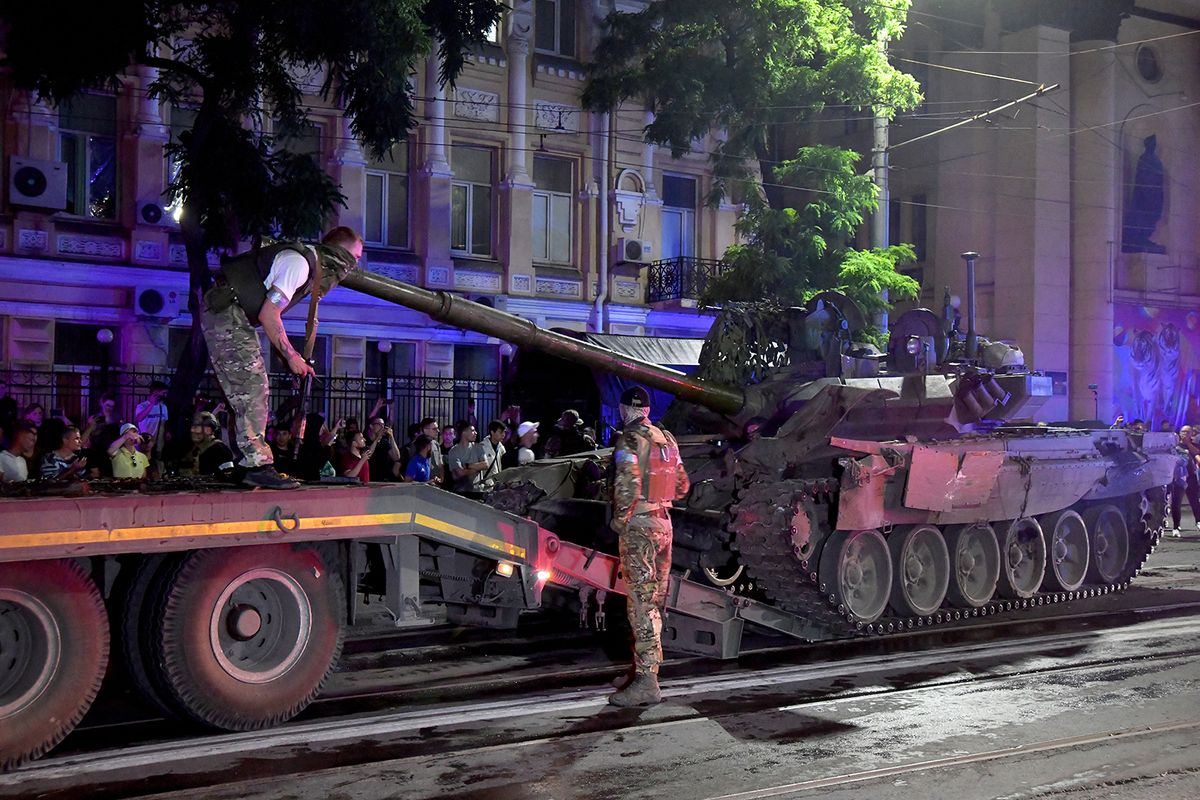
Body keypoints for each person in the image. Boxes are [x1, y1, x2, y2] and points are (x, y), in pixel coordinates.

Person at [200, 226, 362, 488]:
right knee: (252, 388)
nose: (354, 266)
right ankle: (255, 465)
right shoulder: (298, 265)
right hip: (229, 313)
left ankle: (245, 463)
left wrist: (289, 358)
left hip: (229, 313)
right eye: (354, 257)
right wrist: (292, 357)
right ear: (338, 252)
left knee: (242, 392)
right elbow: (269, 314)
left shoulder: (305, 264)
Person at [608, 385, 689, 707]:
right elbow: (682, 485)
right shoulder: (666, 439)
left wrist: (619, 520)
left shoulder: (629, 439)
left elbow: (626, 483)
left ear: (624, 408)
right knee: (654, 601)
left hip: (640, 527)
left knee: (640, 605)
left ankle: (646, 682)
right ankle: (642, 669)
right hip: (664, 524)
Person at [179, 412, 235, 478]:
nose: (192, 430)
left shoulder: (221, 451)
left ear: (208, 430)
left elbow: (228, 481)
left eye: (196, 426)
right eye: (192, 426)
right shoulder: (194, 451)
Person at [447, 421, 491, 494]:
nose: (476, 433)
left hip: (478, 490)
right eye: (472, 430)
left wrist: (468, 465)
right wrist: (477, 469)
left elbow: (486, 465)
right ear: (464, 432)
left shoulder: (478, 447)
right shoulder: (454, 451)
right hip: (462, 492)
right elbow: (460, 473)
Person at [366, 416, 402, 481]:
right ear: (371, 426)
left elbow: (396, 457)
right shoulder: (366, 440)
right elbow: (368, 455)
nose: (382, 427)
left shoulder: (384, 442)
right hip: (370, 478)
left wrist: (391, 437)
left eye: (383, 425)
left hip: (383, 479)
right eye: (379, 424)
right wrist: (377, 439)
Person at [479, 420, 507, 490]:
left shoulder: (502, 448)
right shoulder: (482, 447)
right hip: (486, 487)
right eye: (500, 432)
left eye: (504, 432)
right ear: (492, 432)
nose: (503, 435)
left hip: (497, 486)